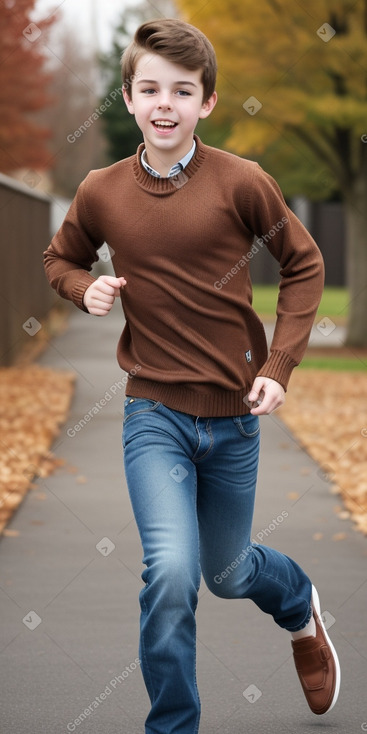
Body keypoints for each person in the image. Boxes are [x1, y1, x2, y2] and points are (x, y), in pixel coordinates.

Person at [44, 17, 340, 734]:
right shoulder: (100, 191)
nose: (164, 103)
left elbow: (303, 265)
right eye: (149, 89)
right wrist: (83, 288)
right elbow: (60, 259)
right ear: (130, 97)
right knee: (170, 573)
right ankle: (172, 726)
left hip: (234, 420)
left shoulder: (243, 183)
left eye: (182, 90)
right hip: (154, 416)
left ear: (206, 102)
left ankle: (298, 606)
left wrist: (278, 364)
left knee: (228, 572)